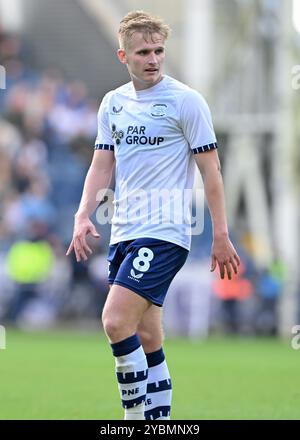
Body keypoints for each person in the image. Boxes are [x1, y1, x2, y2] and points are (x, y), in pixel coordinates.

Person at [66, 10, 240, 420]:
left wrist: (220, 233)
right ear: (123, 55)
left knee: (113, 320)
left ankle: (132, 421)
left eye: (159, 50)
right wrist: (82, 214)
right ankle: (158, 423)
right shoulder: (113, 104)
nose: (154, 59)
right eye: (144, 51)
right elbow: (102, 165)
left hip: (165, 232)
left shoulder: (186, 101)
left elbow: (210, 170)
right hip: (124, 229)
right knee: (146, 335)